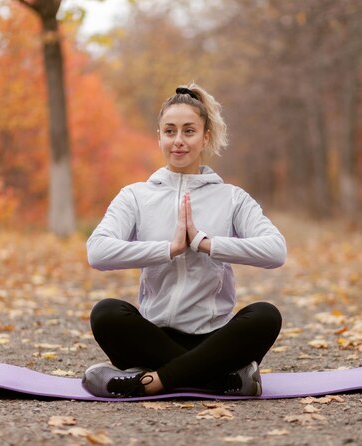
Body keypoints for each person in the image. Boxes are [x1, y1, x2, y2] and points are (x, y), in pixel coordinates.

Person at [82, 83, 286, 398]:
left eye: (189, 131)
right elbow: (97, 252)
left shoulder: (231, 197)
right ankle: (223, 380)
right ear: (159, 136)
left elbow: (275, 251)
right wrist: (169, 249)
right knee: (106, 313)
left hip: (215, 339)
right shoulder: (136, 196)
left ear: (205, 137)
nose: (178, 141)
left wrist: (207, 244)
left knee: (265, 315)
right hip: (152, 338)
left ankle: (150, 382)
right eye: (170, 131)